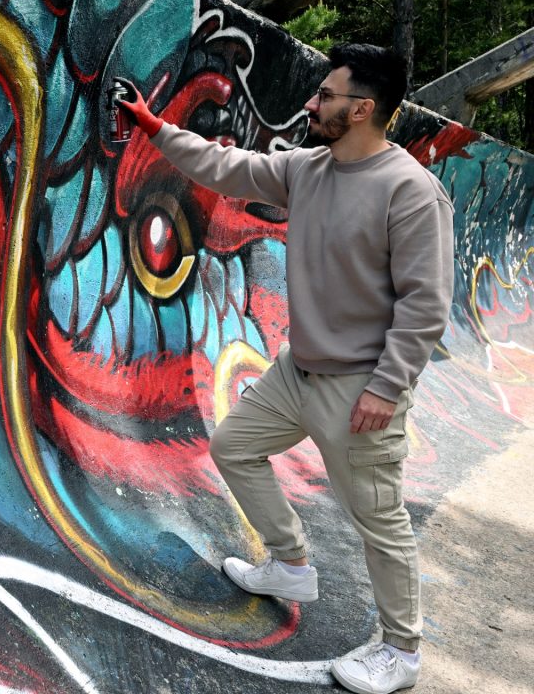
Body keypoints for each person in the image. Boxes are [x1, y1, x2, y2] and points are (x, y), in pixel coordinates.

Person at [119, 43, 454, 694]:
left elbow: (426, 304)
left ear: (362, 109)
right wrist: (157, 128)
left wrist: (388, 387)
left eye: (325, 95)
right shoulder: (309, 169)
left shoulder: (411, 192)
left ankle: (401, 652)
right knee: (233, 446)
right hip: (296, 371)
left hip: (361, 389)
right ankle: (291, 565)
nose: (310, 102)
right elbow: (227, 167)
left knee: (379, 522)